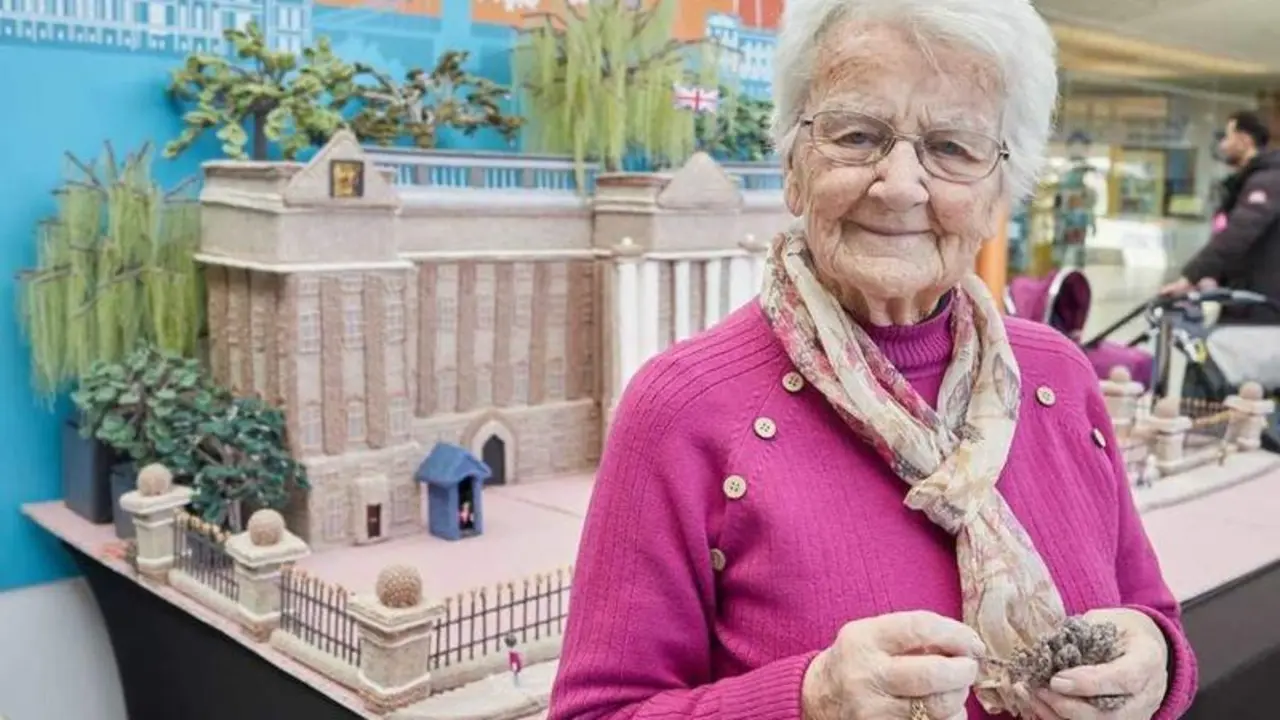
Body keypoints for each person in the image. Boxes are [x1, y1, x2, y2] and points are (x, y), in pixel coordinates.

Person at [548, 0, 1197, 719]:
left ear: (998, 196)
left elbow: (1151, 614)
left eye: (953, 148)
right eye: (857, 135)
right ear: (794, 166)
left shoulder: (1060, 379)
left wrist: (1159, 663)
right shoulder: (685, 407)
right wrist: (809, 700)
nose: (898, 185)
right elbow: (597, 709)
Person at [1161, 110, 1280, 325]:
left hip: (1260, 304)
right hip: (1247, 297)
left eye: (1227, 137)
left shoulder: (1267, 181)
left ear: (1244, 140)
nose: (1223, 146)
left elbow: (1238, 234)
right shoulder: (1252, 180)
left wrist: (1190, 276)